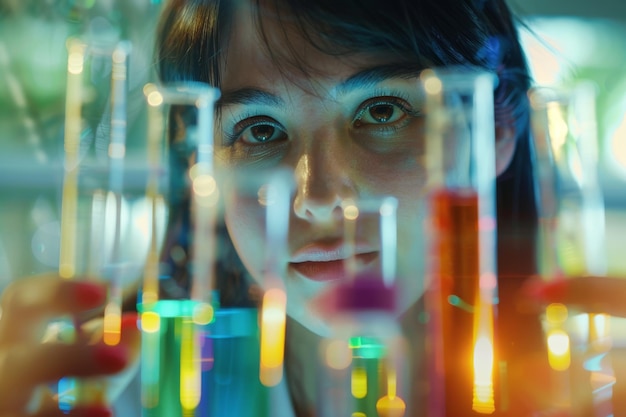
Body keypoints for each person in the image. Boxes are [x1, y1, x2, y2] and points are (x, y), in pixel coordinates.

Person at [0, 0, 624, 416]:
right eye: (259, 131)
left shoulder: (589, 394)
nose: (319, 197)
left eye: (384, 111)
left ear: (500, 130)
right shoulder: (104, 397)